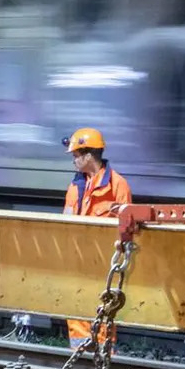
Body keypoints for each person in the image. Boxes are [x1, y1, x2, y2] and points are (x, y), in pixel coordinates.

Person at [63, 127, 133, 351]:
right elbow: (66, 221)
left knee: (102, 308)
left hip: (104, 263)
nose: (73, 160)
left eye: (76, 156)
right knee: (75, 305)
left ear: (88, 155)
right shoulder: (75, 186)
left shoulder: (118, 185)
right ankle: (78, 352)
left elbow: (127, 227)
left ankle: (103, 353)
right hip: (76, 258)